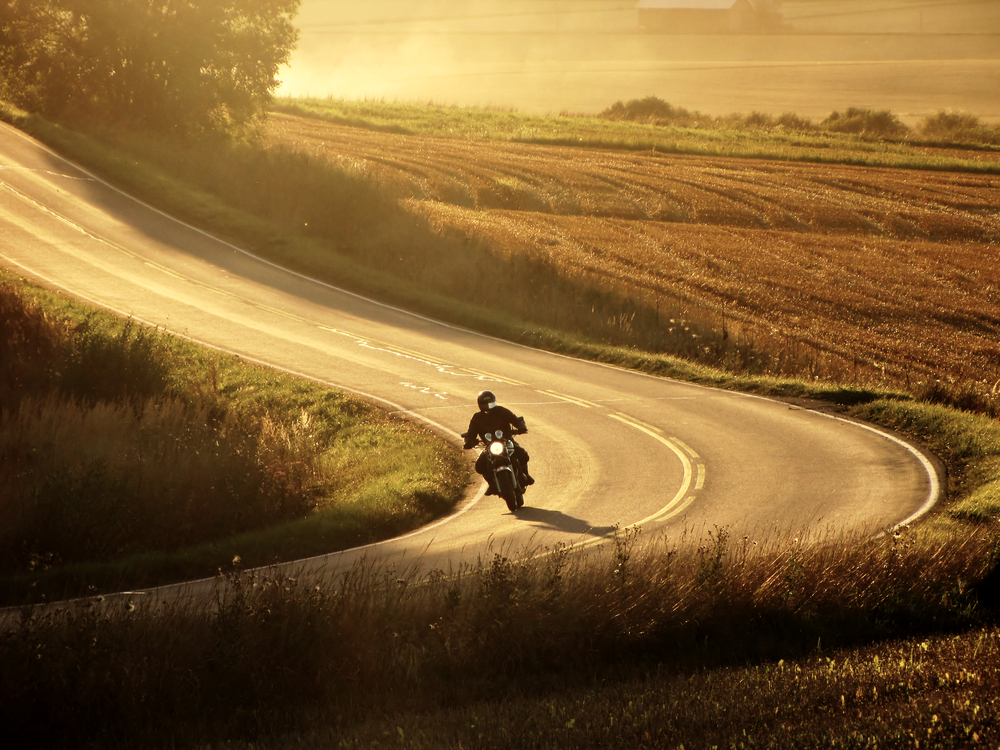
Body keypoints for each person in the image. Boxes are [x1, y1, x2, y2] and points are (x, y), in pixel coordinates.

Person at [463, 390, 534, 495]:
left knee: (522, 454)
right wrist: (469, 441)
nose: (489, 407)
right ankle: (492, 484)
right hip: (489, 445)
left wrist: (521, 427)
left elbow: (514, 419)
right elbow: (471, 432)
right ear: (480, 405)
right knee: (480, 465)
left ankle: (526, 475)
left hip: (506, 441)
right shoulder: (477, 418)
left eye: (491, 403)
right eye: (486, 404)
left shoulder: (501, 411)